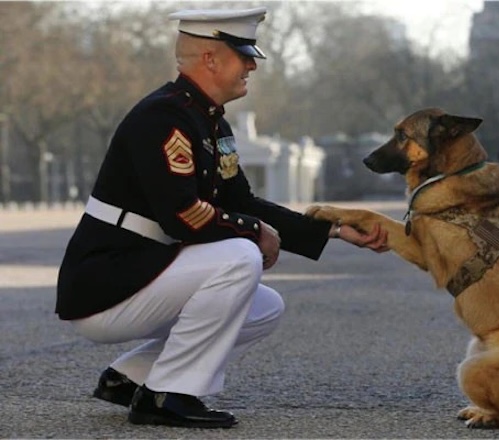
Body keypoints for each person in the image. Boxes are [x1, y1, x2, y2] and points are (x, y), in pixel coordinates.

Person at [56, 7, 388, 430]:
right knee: (238, 258)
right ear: (210, 59)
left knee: (263, 306)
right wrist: (254, 233)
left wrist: (335, 229)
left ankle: (130, 379)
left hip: (142, 272)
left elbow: (241, 200)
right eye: (242, 54)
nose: (252, 63)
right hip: (106, 284)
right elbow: (182, 216)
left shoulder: (208, 120)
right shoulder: (164, 118)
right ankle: (167, 396)